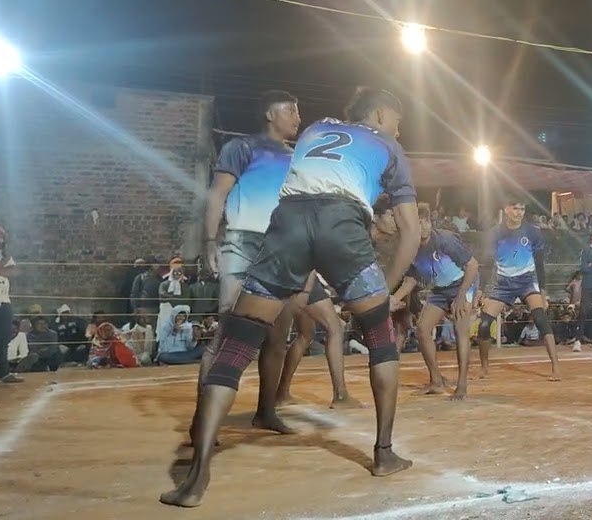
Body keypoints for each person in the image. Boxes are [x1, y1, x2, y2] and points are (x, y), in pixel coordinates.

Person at [163, 87, 421, 508]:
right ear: (380, 114)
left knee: (234, 347)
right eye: (398, 119)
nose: (399, 127)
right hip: (342, 225)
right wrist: (385, 291)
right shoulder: (389, 145)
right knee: (379, 340)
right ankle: (384, 453)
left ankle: (196, 477)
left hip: (288, 225)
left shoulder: (315, 129)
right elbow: (410, 233)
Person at [192, 90, 325, 442]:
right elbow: (217, 194)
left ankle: (266, 411)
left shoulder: (299, 157)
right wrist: (209, 240)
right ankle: (201, 420)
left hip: (283, 248)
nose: (298, 117)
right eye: (291, 110)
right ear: (270, 113)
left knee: (278, 336)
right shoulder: (242, 147)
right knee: (227, 333)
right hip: (243, 242)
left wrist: (308, 259)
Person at [392, 203, 479, 399]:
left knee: (460, 331)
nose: (422, 227)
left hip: (462, 284)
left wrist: (461, 296)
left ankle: (462, 384)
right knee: (422, 330)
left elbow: (473, 266)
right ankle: (436, 380)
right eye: (418, 223)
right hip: (440, 289)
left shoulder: (446, 240)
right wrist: (392, 299)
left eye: (425, 222)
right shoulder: (411, 247)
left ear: (430, 222)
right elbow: (411, 279)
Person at [475, 198, 560, 381]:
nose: (519, 212)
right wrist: (480, 289)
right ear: (506, 209)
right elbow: (487, 264)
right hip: (504, 284)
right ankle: (484, 367)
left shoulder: (532, 232)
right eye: (515, 208)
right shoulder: (495, 233)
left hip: (527, 282)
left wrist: (543, 292)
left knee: (540, 319)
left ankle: (555, 367)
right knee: (483, 324)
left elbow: (539, 263)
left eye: (522, 209)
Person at [274, 272, 362, 410]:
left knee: (306, 333)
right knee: (334, 328)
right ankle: (341, 395)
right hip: (303, 276)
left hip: (286, 273)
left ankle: (282, 393)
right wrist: (307, 289)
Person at [0, 225, 22, 384]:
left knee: (2, 339)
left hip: (4, 301)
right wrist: (4, 263)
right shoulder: (5, 257)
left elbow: (15, 272)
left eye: (1, 237)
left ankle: (3, 373)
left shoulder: (2, 254)